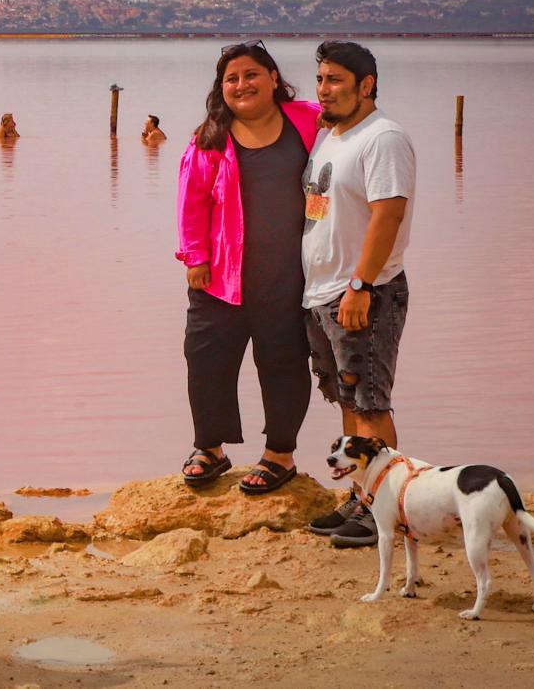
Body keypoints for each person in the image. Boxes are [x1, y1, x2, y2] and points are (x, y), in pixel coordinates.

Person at [176, 41, 323, 494]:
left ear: (273, 78)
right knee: (205, 360)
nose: (242, 84)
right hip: (221, 275)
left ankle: (280, 454)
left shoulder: (308, 119)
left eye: (251, 74)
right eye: (232, 79)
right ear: (222, 89)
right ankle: (209, 449)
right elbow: (191, 201)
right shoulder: (210, 138)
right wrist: (194, 257)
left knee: (283, 363)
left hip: (290, 275)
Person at [302, 41, 415, 548]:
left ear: (366, 85)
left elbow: (387, 214)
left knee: (370, 403)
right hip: (322, 292)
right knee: (347, 398)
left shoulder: (383, 138)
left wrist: (361, 285)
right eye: (321, 79)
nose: (324, 90)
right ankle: (360, 497)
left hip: (364, 290)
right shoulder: (331, 137)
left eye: (335, 80)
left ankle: (384, 510)